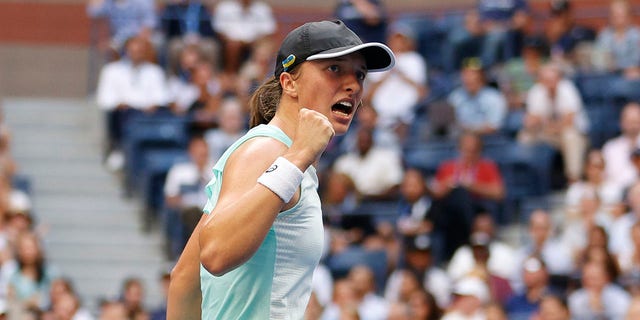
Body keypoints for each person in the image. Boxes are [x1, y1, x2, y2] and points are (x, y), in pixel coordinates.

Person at [166, 20, 395, 319]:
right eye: (335, 69)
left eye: (360, 74)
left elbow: (185, 278)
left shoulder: (273, 152)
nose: (353, 85)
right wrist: (299, 154)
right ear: (290, 83)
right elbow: (215, 254)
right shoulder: (269, 151)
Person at [518, 62, 588, 183]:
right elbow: (530, 120)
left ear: (559, 79)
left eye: (552, 79)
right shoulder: (536, 91)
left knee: (570, 136)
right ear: (540, 80)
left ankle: (574, 179)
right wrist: (537, 122)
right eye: (546, 80)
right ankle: (524, 177)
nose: (550, 83)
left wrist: (545, 123)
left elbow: (569, 120)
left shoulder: (567, 89)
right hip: (548, 133)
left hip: (573, 133)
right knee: (525, 136)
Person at [212, 0, 276, 75]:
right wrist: (235, 42)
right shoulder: (225, 7)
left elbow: (268, 32)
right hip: (231, 43)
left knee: (265, 48)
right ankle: (230, 75)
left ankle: (261, 77)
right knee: (233, 46)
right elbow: (220, 32)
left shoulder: (263, 8)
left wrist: (252, 42)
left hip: (256, 43)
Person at [447, 57, 507, 136]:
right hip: (460, 141)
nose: (468, 78)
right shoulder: (455, 96)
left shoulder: (495, 98)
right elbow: (449, 124)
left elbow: (495, 127)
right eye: (465, 74)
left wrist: (470, 130)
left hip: (490, 142)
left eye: (472, 74)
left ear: (481, 76)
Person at [594, 0, 640, 76]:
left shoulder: (637, 35)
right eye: (614, 15)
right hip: (607, 76)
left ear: (629, 16)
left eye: (620, 15)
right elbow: (600, 59)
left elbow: (635, 61)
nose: (617, 18)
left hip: (632, 78)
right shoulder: (604, 35)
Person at [602, 102, 640, 191]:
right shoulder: (610, 148)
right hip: (617, 195)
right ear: (621, 123)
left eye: (636, 122)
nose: (633, 126)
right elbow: (606, 178)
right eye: (630, 122)